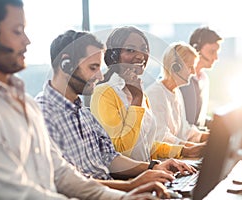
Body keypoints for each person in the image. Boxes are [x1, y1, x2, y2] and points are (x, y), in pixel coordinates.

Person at [0, 0, 172, 199]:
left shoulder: (25, 103)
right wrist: (125, 190)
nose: (27, 41)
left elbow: (61, 173)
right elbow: (18, 192)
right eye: (17, 31)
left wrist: (123, 195)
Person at [35, 29, 196, 192]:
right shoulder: (42, 116)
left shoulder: (82, 113)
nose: (99, 76)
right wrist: (130, 186)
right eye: (93, 68)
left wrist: (153, 166)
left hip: (114, 190)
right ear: (66, 64)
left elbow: (110, 157)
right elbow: (67, 183)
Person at [90, 26, 203, 160]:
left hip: (147, 172)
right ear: (114, 56)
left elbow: (145, 146)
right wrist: (137, 99)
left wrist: (185, 151)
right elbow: (121, 151)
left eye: (143, 49)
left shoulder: (139, 92)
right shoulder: (104, 93)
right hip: (131, 179)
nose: (140, 55)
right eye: (131, 50)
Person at [146, 42, 209, 147]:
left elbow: (184, 131)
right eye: (190, 67)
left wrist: (211, 137)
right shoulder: (155, 94)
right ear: (175, 67)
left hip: (176, 155)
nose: (193, 72)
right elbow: (161, 137)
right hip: (161, 160)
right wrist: (190, 148)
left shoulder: (176, 92)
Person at [180, 27, 222, 127]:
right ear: (196, 49)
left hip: (197, 138)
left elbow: (198, 120)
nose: (216, 58)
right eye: (212, 52)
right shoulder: (181, 80)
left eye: (217, 52)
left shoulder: (204, 79)